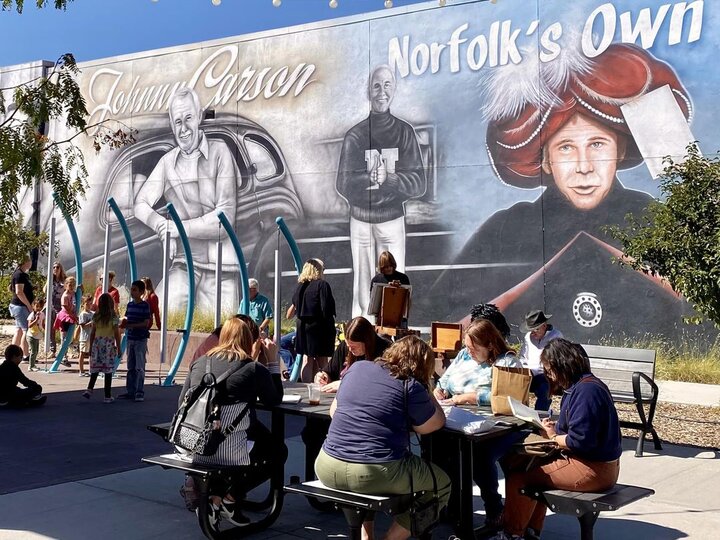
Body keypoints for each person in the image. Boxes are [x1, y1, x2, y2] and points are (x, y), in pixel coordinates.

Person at [432, 43, 694, 334]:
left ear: (620, 151)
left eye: (597, 144)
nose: (584, 166)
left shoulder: (654, 220)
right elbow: (443, 318)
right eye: (566, 147)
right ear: (545, 161)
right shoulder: (507, 229)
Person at [315, 336, 451, 540]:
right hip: (375, 472)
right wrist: (427, 389)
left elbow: (334, 411)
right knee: (441, 484)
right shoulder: (411, 385)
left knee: (363, 484)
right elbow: (433, 424)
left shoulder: (357, 369)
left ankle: (366, 536)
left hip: (327, 466)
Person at [492, 339, 622, 540]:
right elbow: (576, 431)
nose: (549, 375)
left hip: (593, 470)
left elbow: (580, 441)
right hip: (598, 466)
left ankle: (512, 534)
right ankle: (530, 531)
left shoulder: (586, 392)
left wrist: (552, 436)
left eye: (550, 370)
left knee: (520, 477)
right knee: (525, 464)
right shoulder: (582, 386)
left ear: (562, 365)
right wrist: (554, 429)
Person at [133, 86, 239, 313]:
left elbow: (225, 218)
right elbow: (140, 205)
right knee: (160, 312)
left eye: (188, 117)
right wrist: (162, 226)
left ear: (199, 116)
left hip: (223, 269)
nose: (183, 128)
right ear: (172, 125)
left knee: (224, 332)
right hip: (185, 264)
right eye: (177, 121)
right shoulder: (167, 162)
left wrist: (176, 230)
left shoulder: (221, 153)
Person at [336, 65, 427, 318]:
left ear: (394, 89)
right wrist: (368, 177)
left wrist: (390, 179)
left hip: (392, 219)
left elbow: (419, 183)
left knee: (395, 284)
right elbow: (342, 183)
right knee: (363, 281)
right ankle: (360, 328)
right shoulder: (355, 135)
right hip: (361, 220)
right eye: (376, 85)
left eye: (387, 85)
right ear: (368, 91)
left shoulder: (404, 132)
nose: (382, 91)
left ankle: (394, 328)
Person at [178, 317, 286, 525]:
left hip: (193, 444)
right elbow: (274, 399)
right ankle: (228, 498)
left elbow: (182, 400)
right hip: (225, 450)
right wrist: (272, 362)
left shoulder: (200, 363)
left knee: (260, 441)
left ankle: (219, 499)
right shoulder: (252, 369)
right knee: (277, 452)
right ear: (250, 339)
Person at [433, 318, 524, 528]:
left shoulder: (507, 362)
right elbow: (444, 381)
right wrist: (440, 390)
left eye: (474, 348)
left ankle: (494, 508)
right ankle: (451, 507)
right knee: (438, 447)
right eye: (467, 346)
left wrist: (468, 397)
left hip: (499, 426)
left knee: (479, 455)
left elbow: (509, 398)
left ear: (490, 345)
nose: (469, 352)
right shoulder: (464, 355)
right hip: (459, 419)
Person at [286, 258, 336, 383]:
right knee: (322, 360)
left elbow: (292, 309)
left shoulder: (300, 287)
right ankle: (322, 386)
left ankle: (307, 386)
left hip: (303, 327)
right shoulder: (322, 285)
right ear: (318, 270)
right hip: (319, 327)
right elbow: (326, 310)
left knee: (307, 360)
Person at [314, 316, 391, 394]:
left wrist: (345, 384)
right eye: (348, 345)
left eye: (354, 347)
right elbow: (330, 371)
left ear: (367, 342)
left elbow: (381, 384)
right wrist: (323, 377)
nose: (350, 350)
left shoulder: (385, 352)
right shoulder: (345, 347)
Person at [519, 310, 562, 411]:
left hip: (546, 374)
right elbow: (522, 357)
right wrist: (524, 370)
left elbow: (557, 361)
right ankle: (520, 414)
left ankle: (540, 416)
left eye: (536, 329)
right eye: (531, 330)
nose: (533, 333)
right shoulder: (528, 337)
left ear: (544, 325)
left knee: (544, 388)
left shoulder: (556, 336)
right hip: (528, 373)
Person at [83, 293, 121, 403]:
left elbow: (93, 332)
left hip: (97, 344)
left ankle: (89, 389)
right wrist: (119, 347)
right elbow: (116, 333)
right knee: (108, 370)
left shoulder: (96, 316)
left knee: (95, 368)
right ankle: (107, 396)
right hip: (108, 344)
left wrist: (90, 348)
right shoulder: (113, 317)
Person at [118, 280, 151, 402]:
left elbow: (146, 322)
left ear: (141, 292)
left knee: (139, 367)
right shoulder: (130, 305)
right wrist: (123, 323)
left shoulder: (145, 305)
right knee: (130, 366)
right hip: (130, 338)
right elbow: (127, 317)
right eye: (131, 289)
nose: (132, 292)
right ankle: (130, 390)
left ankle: (139, 391)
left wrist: (132, 326)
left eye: (135, 290)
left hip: (140, 339)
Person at [8, 255, 34, 362]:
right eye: (30, 261)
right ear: (25, 262)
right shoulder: (19, 275)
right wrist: (29, 306)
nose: (31, 263)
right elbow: (19, 292)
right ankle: (25, 355)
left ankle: (11, 354)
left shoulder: (22, 274)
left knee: (19, 330)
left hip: (19, 306)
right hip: (20, 306)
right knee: (26, 331)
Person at [54, 276, 77, 368]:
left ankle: (65, 355)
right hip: (65, 317)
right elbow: (66, 308)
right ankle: (63, 357)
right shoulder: (65, 295)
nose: (71, 287)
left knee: (69, 337)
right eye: (69, 285)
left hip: (71, 317)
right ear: (66, 285)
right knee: (64, 338)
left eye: (73, 285)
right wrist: (74, 315)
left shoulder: (73, 294)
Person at [45, 262, 66, 356]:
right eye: (53, 267)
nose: (55, 269)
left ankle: (63, 351)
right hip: (51, 306)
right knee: (50, 329)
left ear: (60, 269)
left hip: (61, 307)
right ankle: (52, 350)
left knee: (62, 330)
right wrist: (48, 280)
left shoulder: (64, 280)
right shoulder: (51, 279)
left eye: (57, 267)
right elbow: (45, 290)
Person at [77, 295, 95, 376]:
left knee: (91, 353)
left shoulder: (93, 313)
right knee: (82, 353)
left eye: (90, 304)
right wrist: (90, 323)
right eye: (87, 304)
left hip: (92, 336)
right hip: (84, 337)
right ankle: (81, 370)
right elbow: (82, 325)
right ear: (83, 304)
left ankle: (91, 369)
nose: (89, 306)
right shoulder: (83, 314)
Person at [25, 298, 46, 372]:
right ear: (33, 306)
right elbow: (29, 325)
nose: (38, 308)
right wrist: (36, 320)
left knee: (36, 351)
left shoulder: (42, 314)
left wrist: (45, 329)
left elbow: (42, 324)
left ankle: (33, 364)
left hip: (37, 335)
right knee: (33, 351)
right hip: (31, 335)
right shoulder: (32, 315)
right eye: (37, 306)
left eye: (40, 307)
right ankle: (30, 366)